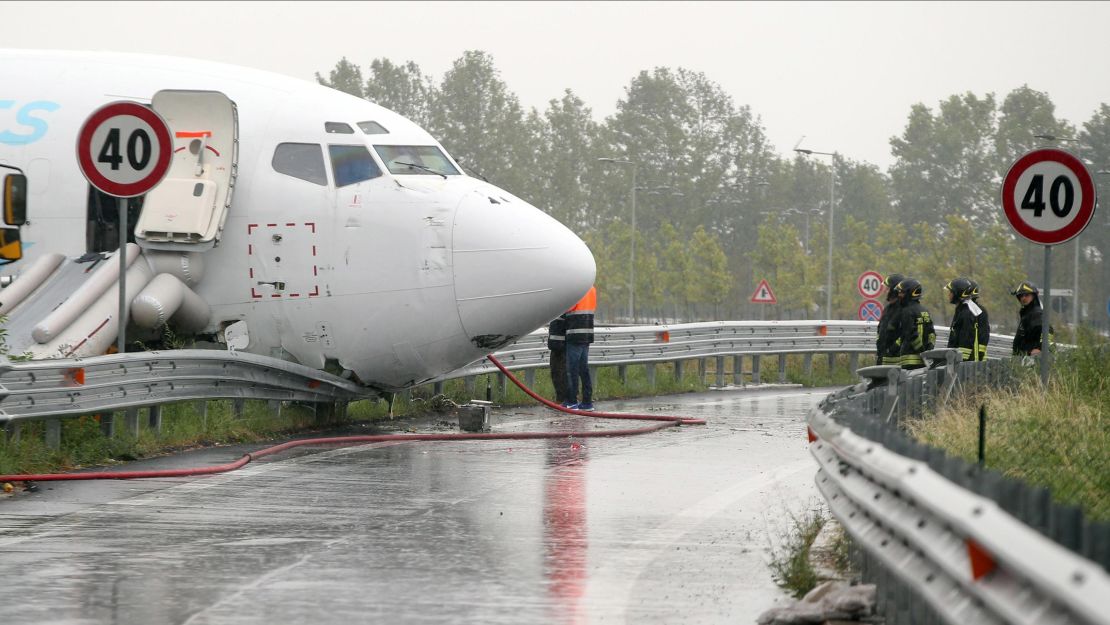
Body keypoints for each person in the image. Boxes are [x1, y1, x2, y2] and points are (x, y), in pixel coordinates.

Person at [564, 285, 596, 410]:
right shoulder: (592, 289)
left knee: (572, 370)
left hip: (575, 333)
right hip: (587, 333)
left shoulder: (577, 288)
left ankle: (572, 401)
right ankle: (587, 402)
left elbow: (569, 307)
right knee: (584, 370)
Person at [893, 278, 935, 370]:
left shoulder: (906, 311)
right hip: (924, 361)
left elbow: (911, 333)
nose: (899, 295)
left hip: (909, 360)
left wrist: (921, 352)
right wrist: (928, 352)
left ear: (910, 293)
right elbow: (932, 334)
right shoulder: (925, 311)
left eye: (902, 293)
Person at [944, 277, 986, 361]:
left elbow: (966, 341)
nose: (949, 294)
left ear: (957, 293)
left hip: (964, 365)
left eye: (951, 292)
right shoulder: (961, 310)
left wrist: (961, 362)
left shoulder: (966, 313)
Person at [1011, 280, 1052, 357]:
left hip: (1031, 360)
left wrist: (1040, 348)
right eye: (1021, 296)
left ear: (1034, 296)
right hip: (1022, 358)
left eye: (1026, 295)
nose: (1023, 298)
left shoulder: (1036, 313)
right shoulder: (1027, 314)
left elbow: (1048, 330)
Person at [875, 273, 905, 365]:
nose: (884, 291)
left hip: (896, 362)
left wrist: (891, 350)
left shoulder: (904, 310)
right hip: (882, 359)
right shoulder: (887, 309)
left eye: (887, 288)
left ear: (894, 290)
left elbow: (906, 335)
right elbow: (881, 331)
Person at [547, 313, 568, 405]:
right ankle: (562, 399)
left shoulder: (564, 306)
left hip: (561, 345)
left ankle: (563, 400)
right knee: (557, 372)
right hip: (556, 344)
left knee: (560, 372)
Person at [968, 279, 990, 361]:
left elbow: (984, 334)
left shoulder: (980, 311)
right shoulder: (962, 311)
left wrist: (980, 354)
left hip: (976, 359)